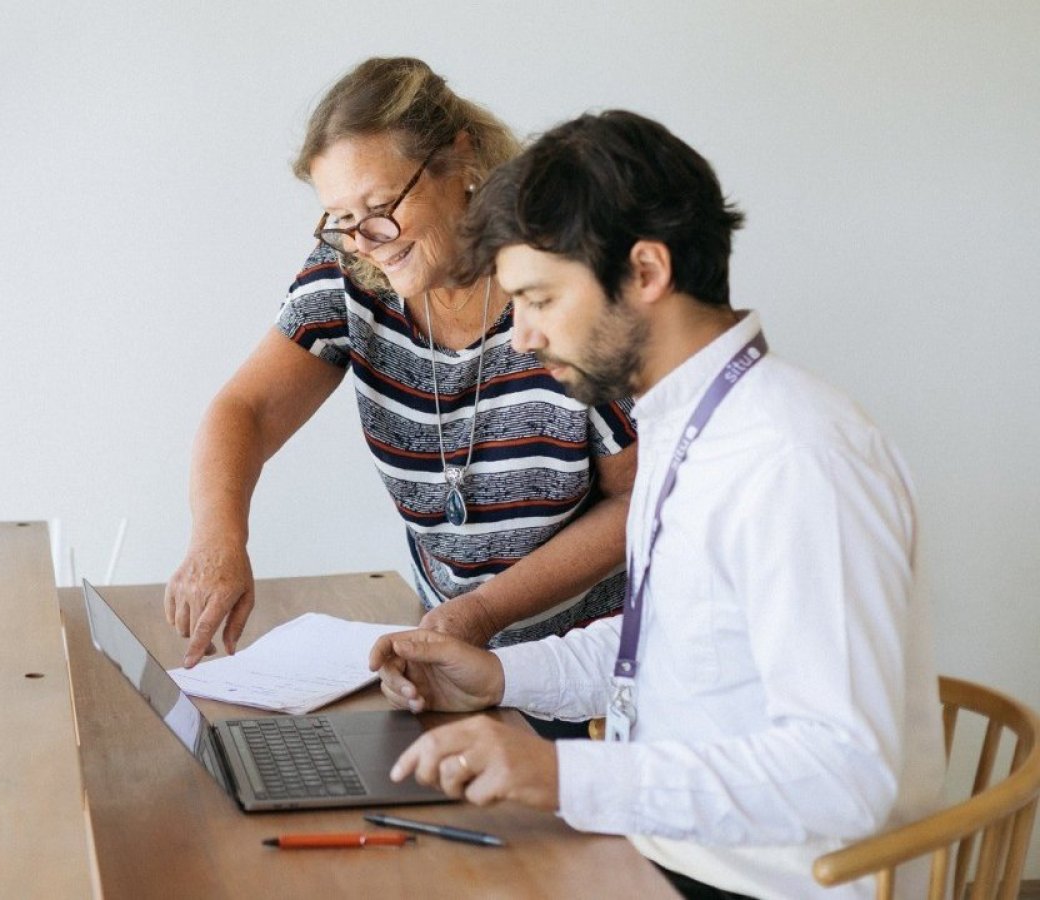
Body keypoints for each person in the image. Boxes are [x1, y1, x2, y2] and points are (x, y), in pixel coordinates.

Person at [369, 109, 944, 899]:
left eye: (537, 299)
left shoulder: (794, 457)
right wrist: (498, 677)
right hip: (674, 854)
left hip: (763, 882)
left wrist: (568, 772)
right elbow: (666, 650)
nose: (523, 337)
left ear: (644, 272)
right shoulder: (686, 423)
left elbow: (845, 771)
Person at [164, 58, 638, 701]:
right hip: (448, 652)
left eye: (382, 206)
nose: (366, 240)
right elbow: (246, 407)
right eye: (340, 218)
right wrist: (217, 539)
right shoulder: (352, 272)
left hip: (588, 665)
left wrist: (481, 613)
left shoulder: (555, 283)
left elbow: (634, 503)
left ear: (459, 161)